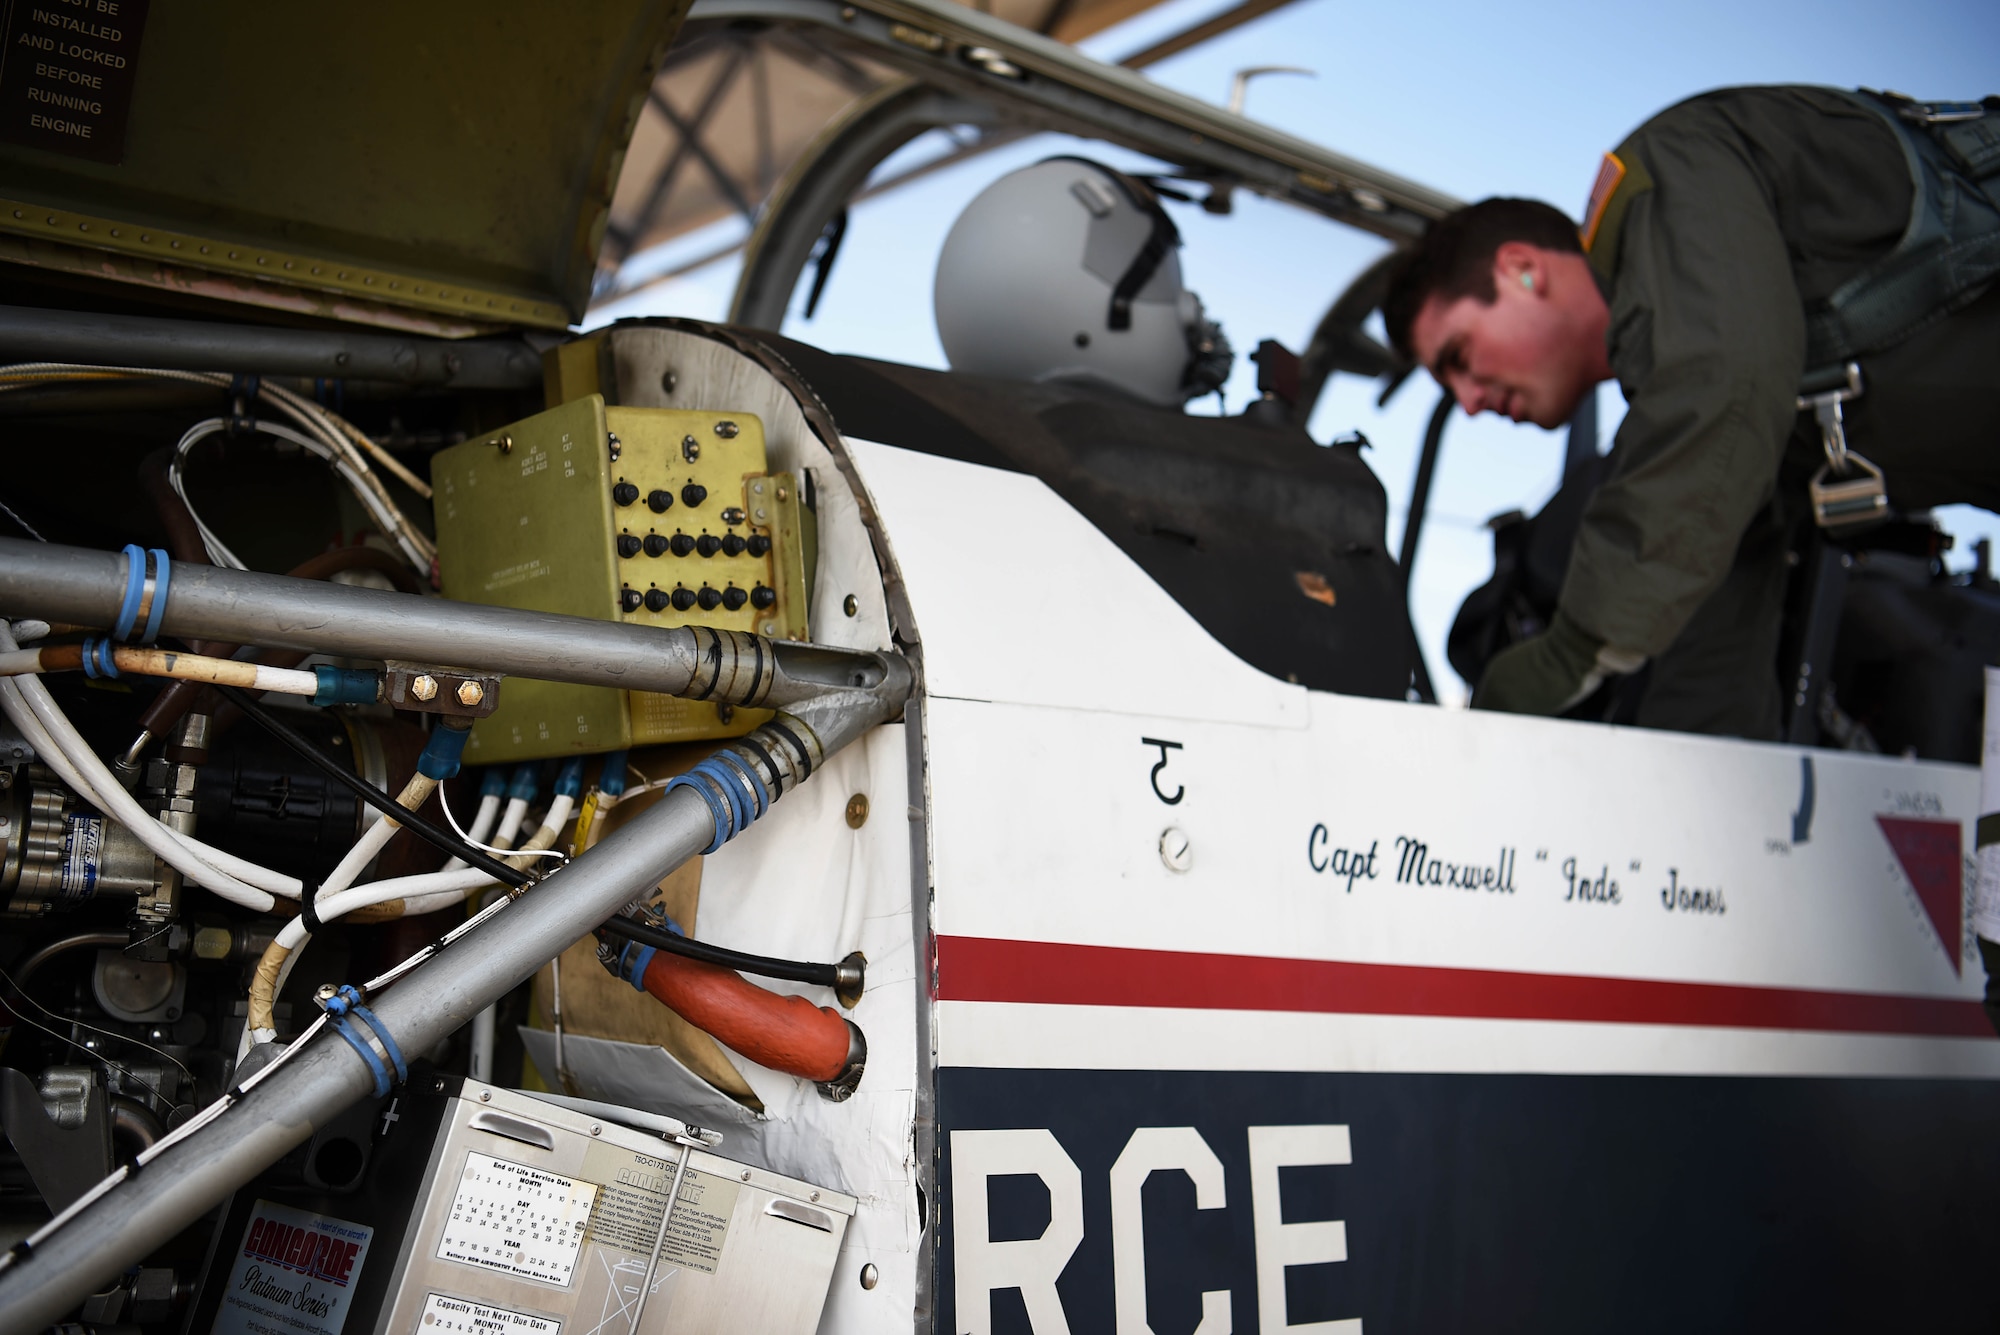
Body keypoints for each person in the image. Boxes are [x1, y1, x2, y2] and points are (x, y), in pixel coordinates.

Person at [1382, 86, 2000, 737]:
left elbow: (1721, 385)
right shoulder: (1719, 445)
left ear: (1522, 271)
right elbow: (1714, 664)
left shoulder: (1667, 172)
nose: (1470, 401)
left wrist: (1570, 653)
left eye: (1459, 357)